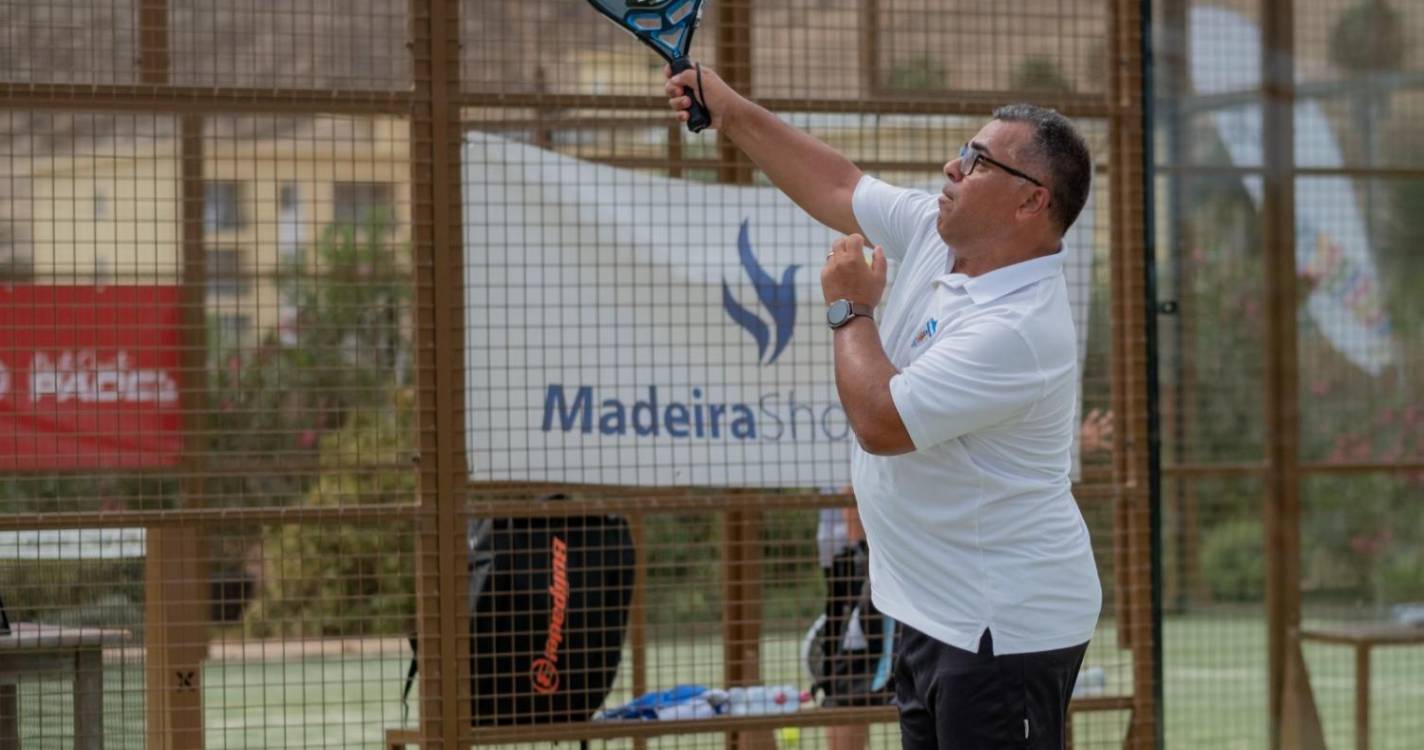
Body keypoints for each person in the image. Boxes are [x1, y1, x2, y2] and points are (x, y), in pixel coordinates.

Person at [665, 65, 1101, 749]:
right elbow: (840, 184)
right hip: (932, 614)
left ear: (1030, 203)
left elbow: (882, 423)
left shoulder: (1019, 327)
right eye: (965, 150)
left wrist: (849, 309)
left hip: (1002, 628)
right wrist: (728, 108)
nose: (952, 168)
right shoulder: (940, 232)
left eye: (977, 161)